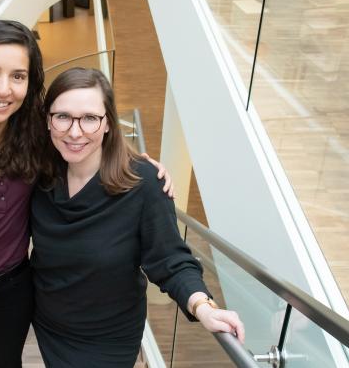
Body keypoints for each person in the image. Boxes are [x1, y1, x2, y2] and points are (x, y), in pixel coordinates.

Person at [0, 19, 172, 367]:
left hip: (13, 289)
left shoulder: (34, 141)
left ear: (29, 84)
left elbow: (81, 139)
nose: (3, 88)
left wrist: (140, 162)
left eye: (18, 76)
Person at [31, 67, 245, 368]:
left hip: (109, 337)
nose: (75, 132)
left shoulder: (142, 183)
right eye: (63, 116)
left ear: (108, 123)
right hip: (50, 326)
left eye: (90, 118)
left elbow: (171, 260)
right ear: (48, 121)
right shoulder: (38, 174)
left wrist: (204, 307)